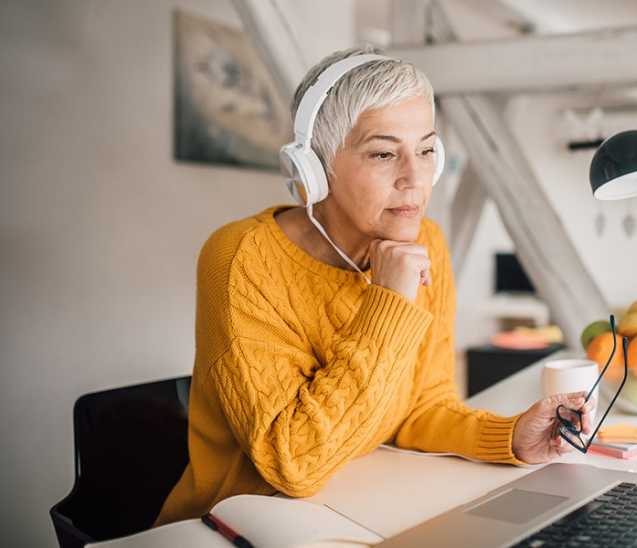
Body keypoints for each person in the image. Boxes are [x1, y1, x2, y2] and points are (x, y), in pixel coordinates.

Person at [155, 46, 593, 526]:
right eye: (384, 153)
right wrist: (389, 301)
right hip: (232, 528)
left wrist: (511, 436)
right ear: (315, 170)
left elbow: (420, 406)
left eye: (426, 150)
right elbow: (294, 465)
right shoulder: (240, 259)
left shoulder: (426, 243)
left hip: (358, 508)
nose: (414, 178)